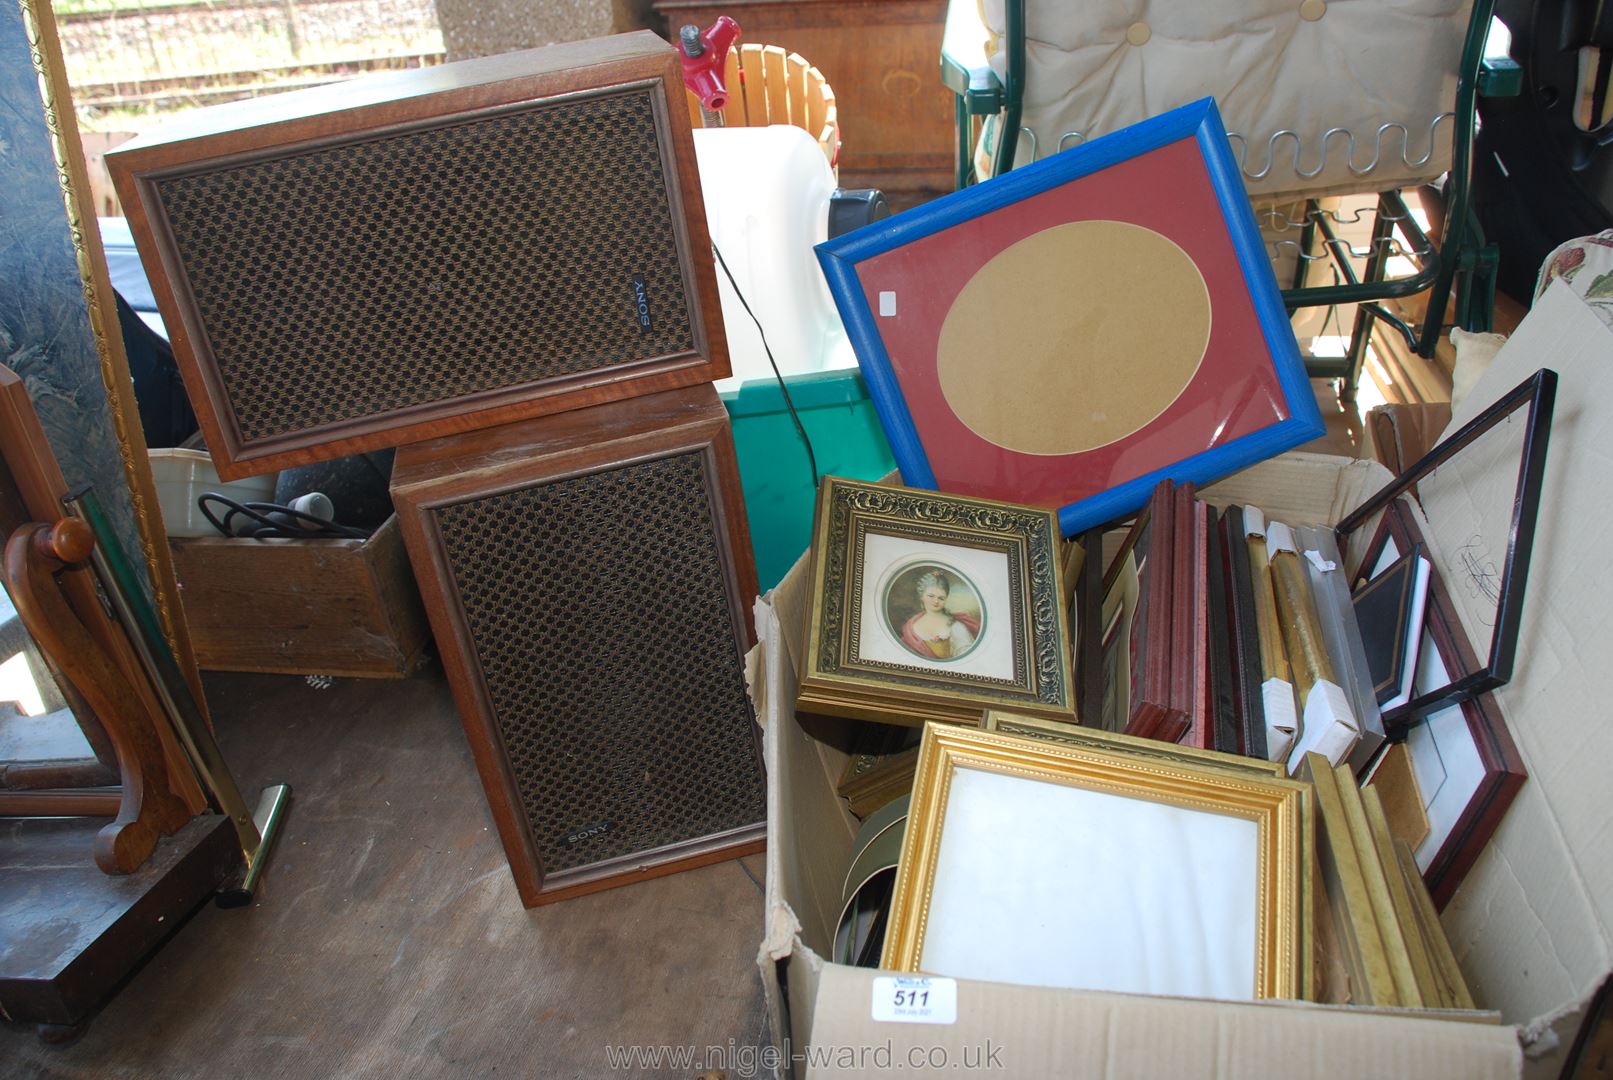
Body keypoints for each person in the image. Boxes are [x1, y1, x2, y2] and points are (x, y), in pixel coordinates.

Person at [898, 568, 980, 660]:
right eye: (931, 596)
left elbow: (966, 657)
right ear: (921, 596)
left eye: (941, 598)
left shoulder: (955, 626)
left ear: (946, 599)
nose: (936, 601)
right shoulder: (911, 627)